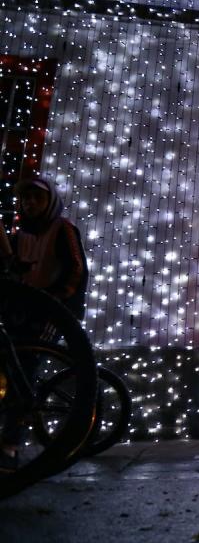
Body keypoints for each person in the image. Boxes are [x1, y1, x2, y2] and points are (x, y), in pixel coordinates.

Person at [0, 176, 89, 472]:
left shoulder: (62, 230)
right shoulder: (20, 234)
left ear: (49, 201)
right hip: (23, 310)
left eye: (36, 198)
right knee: (14, 368)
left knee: (24, 371)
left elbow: (76, 270)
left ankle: (10, 445)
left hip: (52, 312)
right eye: (26, 199)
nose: (30, 204)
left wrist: (56, 299)